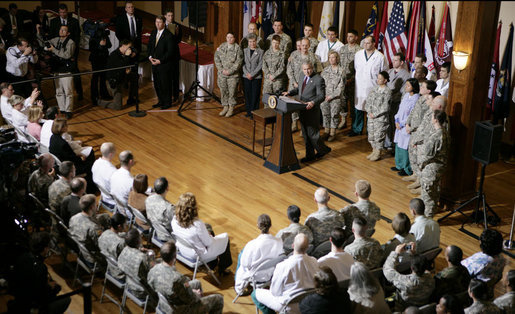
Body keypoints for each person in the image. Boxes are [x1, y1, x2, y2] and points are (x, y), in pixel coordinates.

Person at [147, 241, 224, 313]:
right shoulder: (178, 279)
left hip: (163, 305)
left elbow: (152, 286)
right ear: (174, 257)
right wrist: (196, 294)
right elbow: (191, 300)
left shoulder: (153, 270)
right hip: (179, 310)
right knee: (218, 299)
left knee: (197, 282)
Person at [253, 233, 319, 313]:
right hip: (309, 303)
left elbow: (275, 292)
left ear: (293, 246)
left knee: (255, 293)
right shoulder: (314, 261)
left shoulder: (282, 266)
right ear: (307, 248)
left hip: (288, 306)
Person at [171, 192, 232, 275]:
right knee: (225, 238)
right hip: (196, 254)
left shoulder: (174, 220)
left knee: (208, 227)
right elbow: (208, 242)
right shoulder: (197, 224)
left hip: (183, 249)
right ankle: (222, 267)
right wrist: (209, 235)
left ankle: (212, 264)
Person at [10, 232, 71, 314]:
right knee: (66, 299)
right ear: (45, 248)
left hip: (19, 300)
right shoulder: (40, 267)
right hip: (32, 306)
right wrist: (51, 288)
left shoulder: (22, 257)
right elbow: (41, 296)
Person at [283, 61, 331, 162]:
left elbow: (321, 96)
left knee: (312, 134)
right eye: (305, 69)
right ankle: (310, 156)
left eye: (308, 69)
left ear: (312, 68)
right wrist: (289, 92)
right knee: (305, 134)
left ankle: (323, 150)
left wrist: (313, 102)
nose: (307, 71)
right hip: (302, 108)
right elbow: (299, 89)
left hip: (312, 110)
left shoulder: (318, 79)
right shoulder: (301, 75)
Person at [235, 214, 283, 295]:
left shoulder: (251, 244)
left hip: (255, 277)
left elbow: (245, 264)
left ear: (258, 226)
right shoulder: (279, 242)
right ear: (270, 225)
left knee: (241, 257)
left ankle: (240, 289)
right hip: (271, 274)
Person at [351, 35, 387, 137]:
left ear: (373, 44)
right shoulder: (358, 54)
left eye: (368, 43)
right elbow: (356, 69)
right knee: (358, 108)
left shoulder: (380, 57)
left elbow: (384, 72)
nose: (365, 45)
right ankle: (357, 129)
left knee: (371, 110)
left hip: (372, 87)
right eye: (364, 43)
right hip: (359, 87)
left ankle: (370, 131)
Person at [403, 80, 437, 186]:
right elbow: (413, 112)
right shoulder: (420, 98)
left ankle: (419, 180)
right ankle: (414, 174)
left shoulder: (429, 102)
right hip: (413, 130)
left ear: (429, 90)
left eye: (423, 87)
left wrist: (412, 127)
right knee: (412, 153)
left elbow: (424, 120)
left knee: (418, 156)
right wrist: (408, 123)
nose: (420, 88)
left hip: (419, 132)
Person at [383, 243, 435, 310]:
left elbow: (387, 270)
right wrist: (414, 254)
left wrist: (396, 253)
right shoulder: (431, 278)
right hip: (422, 307)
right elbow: (421, 265)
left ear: (411, 268)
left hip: (405, 308)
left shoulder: (405, 282)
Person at [418, 109, 450, 216]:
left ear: (435, 120)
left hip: (431, 168)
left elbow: (427, 154)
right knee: (435, 190)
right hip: (439, 167)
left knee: (428, 195)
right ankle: (433, 210)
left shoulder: (436, 136)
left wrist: (420, 164)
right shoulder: (445, 132)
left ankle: (428, 217)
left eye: (432, 117)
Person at [49, 118, 95, 190]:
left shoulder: (53, 138)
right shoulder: (63, 143)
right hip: (70, 167)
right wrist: (82, 158)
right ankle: (91, 186)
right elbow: (73, 158)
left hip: (60, 164)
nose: (67, 126)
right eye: (66, 125)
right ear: (62, 128)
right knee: (90, 163)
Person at [286, 38, 322, 131]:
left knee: (304, 105)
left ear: (309, 46)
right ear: (300, 45)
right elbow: (289, 70)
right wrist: (294, 82)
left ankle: (303, 127)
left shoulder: (314, 57)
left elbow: (318, 71)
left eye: (306, 45)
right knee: (293, 104)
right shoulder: (294, 55)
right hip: (294, 85)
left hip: (307, 86)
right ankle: (294, 123)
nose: (304, 47)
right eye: (303, 45)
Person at [49, 3, 82, 101]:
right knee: (58, 75)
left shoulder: (74, 21)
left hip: (71, 51)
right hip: (57, 53)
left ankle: (79, 92)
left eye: (64, 12)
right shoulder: (54, 22)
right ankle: (61, 96)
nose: (62, 14)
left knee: (75, 73)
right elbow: (52, 37)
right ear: (58, 12)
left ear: (67, 11)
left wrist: (72, 53)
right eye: (60, 12)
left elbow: (77, 37)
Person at [462, 229, 507, 299]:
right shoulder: (502, 259)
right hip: (488, 293)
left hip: (472, 294)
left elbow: (462, 270)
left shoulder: (479, 262)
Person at [45, 25, 75, 118]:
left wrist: (53, 50)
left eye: (64, 30)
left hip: (66, 70)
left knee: (68, 92)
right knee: (58, 91)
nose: (61, 31)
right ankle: (62, 108)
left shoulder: (71, 42)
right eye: (60, 29)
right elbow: (46, 43)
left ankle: (68, 110)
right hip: (57, 69)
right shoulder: (56, 40)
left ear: (68, 33)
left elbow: (66, 55)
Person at [118, 228, 156, 299]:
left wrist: (139, 250)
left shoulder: (124, 250)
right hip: (144, 291)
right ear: (138, 241)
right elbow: (153, 273)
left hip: (130, 285)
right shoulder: (143, 258)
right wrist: (152, 255)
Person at [393, 78, 420, 176]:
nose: (406, 87)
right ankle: (399, 165)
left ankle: (406, 168)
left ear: (414, 87)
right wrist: (396, 120)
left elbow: (411, 115)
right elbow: (400, 110)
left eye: (408, 85)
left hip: (406, 126)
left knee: (405, 147)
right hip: (399, 125)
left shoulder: (416, 99)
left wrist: (402, 123)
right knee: (398, 145)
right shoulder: (405, 96)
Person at [365, 71, 392, 161]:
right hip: (371, 116)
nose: (378, 80)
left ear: (385, 80)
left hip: (380, 118)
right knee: (371, 135)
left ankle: (378, 153)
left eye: (380, 79)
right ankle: (374, 150)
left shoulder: (387, 91)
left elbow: (385, 106)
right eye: (378, 78)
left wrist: (375, 114)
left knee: (378, 136)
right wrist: (369, 111)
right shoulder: (374, 89)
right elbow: (368, 100)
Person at [214, 32, 243, 117]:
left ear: (234, 38)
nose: (229, 39)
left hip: (233, 76)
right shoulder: (221, 47)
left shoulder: (238, 49)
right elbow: (216, 58)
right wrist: (221, 70)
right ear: (226, 38)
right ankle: (225, 106)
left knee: (232, 92)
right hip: (222, 74)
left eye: (231, 37)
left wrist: (229, 71)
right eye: (228, 37)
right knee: (223, 91)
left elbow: (238, 63)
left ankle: (231, 108)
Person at [69, 194, 102, 266]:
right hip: (93, 259)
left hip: (81, 253)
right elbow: (101, 246)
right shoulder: (93, 227)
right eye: (96, 204)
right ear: (92, 207)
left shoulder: (73, 218)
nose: (97, 205)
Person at [148, 16, 173, 109]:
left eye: (159, 22)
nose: (157, 24)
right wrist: (150, 57)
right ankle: (160, 101)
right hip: (154, 63)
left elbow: (170, 52)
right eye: (156, 22)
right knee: (157, 84)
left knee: (165, 84)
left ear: (163, 23)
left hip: (164, 65)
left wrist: (160, 60)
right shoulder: (153, 32)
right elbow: (150, 46)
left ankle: (167, 103)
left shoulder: (168, 35)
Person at [387, 52, 411, 147]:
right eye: (393, 60)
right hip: (387, 102)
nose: (393, 62)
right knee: (387, 123)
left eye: (396, 60)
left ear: (401, 62)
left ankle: (394, 144)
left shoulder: (406, 75)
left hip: (396, 103)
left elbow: (402, 91)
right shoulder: (389, 72)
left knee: (394, 124)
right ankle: (388, 143)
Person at [339, 29, 361, 130]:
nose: (348, 38)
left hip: (354, 81)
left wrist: (351, 79)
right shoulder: (342, 49)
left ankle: (353, 124)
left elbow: (360, 68)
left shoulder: (359, 50)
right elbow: (339, 64)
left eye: (351, 36)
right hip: (342, 79)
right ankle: (343, 120)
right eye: (347, 36)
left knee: (352, 103)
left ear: (356, 37)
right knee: (342, 100)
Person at [320, 51, 345, 142]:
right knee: (325, 114)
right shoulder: (325, 70)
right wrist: (323, 95)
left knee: (334, 115)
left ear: (337, 58)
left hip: (335, 98)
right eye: (329, 57)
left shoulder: (341, 71)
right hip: (325, 97)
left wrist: (332, 96)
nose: (331, 59)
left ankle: (332, 133)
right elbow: (321, 83)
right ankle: (326, 132)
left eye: (333, 57)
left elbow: (341, 87)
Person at [104, 39, 136, 110]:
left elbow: (128, 65)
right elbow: (121, 67)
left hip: (122, 78)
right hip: (114, 81)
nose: (130, 49)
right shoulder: (114, 55)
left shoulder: (125, 54)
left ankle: (131, 98)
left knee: (134, 77)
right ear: (123, 46)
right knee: (117, 107)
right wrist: (127, 57)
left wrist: (131, 57)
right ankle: (99, 102)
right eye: (129, 47)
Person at [98, 213, 127, 281]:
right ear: (119, 226)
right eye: (125, 224)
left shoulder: (103, 235)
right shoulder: (121, 243)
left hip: (110, 268)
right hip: (121, 273)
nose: (126, 226)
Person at [88, 23, 111, 107]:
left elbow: (109, 45)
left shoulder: (104, 35)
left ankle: (104, 94)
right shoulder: (93, 36)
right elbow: (91, 48)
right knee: (95, 78)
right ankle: (94, 97)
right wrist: (100, 46)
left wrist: (104, 44)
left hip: (104, 58)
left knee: (103, 77)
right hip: (96, 59)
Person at [146, 177, 175, 241]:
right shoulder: (168, 208)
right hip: (168, 236)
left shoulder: (148, 199)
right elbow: (174, 225)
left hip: (155, 229)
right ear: (167, 188)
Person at [242, 34, 263, 118]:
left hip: (256, 77)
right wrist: (247, 73)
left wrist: (252, 74)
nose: (252, 43)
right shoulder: (244, 50)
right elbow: (243, 63)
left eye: (253, 41)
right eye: (250, 41)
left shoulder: (261, 51)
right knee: (247, 95)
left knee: (255, 95)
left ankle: (254, 113)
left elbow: (260, 65)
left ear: (256, 41)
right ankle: (248, 112)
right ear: (248, 42)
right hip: (246, 76)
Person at [164, 8, 182, 103]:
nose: (171, 17)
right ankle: (167, 95)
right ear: (165, 16)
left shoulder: (177, 25)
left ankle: (175, 96)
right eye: (169, 16)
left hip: (174, 55)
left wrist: (177, 34)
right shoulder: (162, 25)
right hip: (165, 55)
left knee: (175, 76)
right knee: (167, 77)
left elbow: (178, 40)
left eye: (172, 15)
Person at [91, 142, 117, 209]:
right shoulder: (112, 171)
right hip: (112, 201)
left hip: (103, 194)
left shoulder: (95, 163)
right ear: (111, 154)